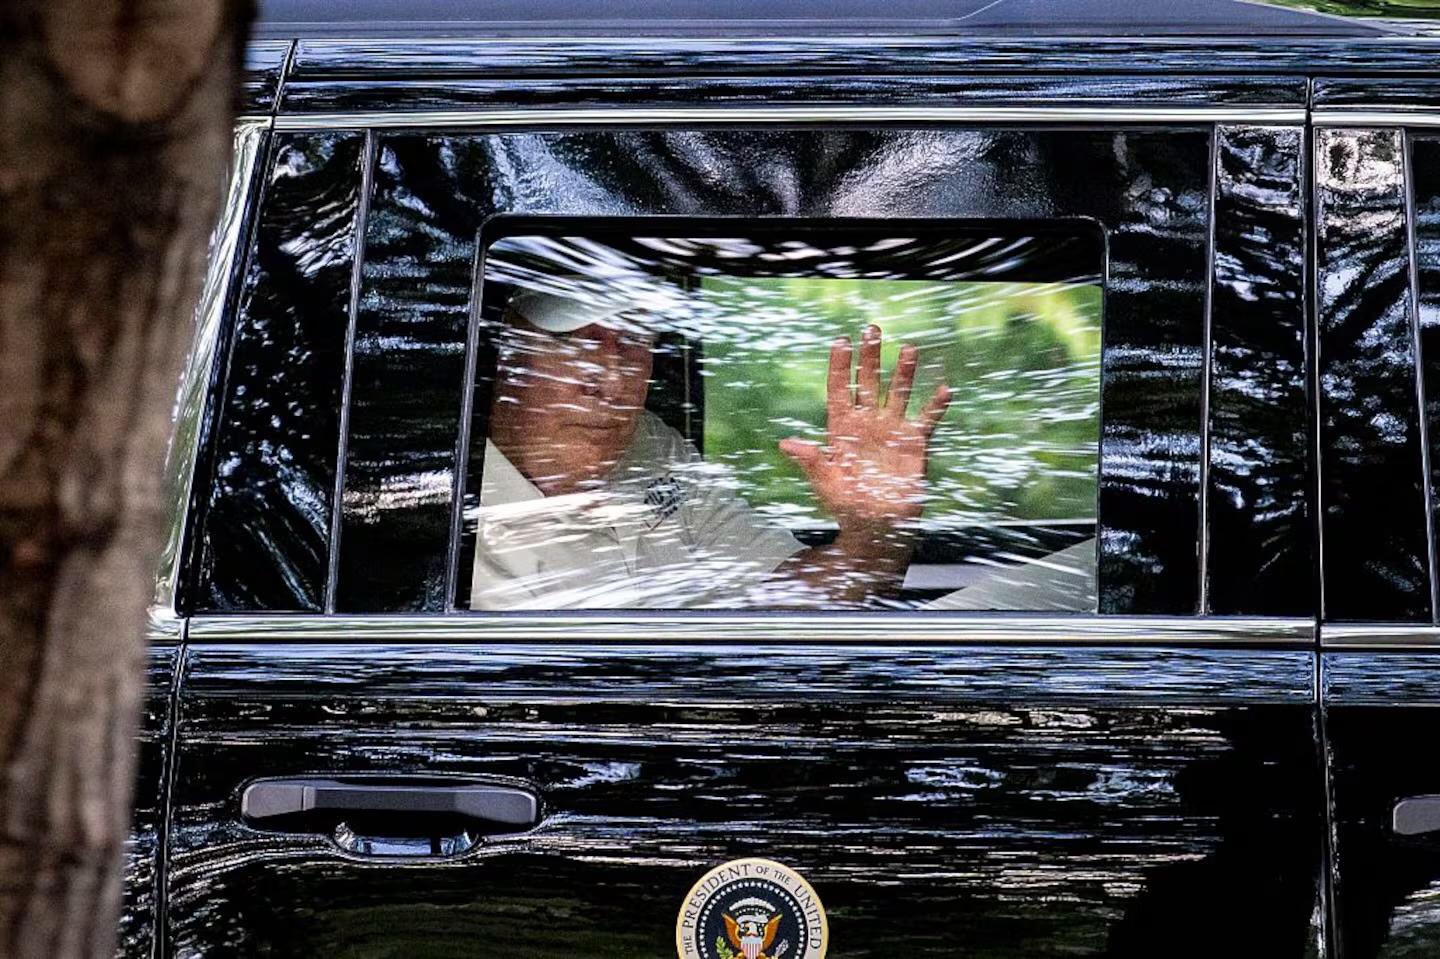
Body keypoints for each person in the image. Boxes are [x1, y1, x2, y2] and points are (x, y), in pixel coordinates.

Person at [467, 287, 951, 610]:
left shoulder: (650, 445)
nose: (612, 382)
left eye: (632, 341)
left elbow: (784, 595)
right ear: (507, 351)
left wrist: (872, 535)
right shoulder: (454, 517)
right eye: (578, 342)